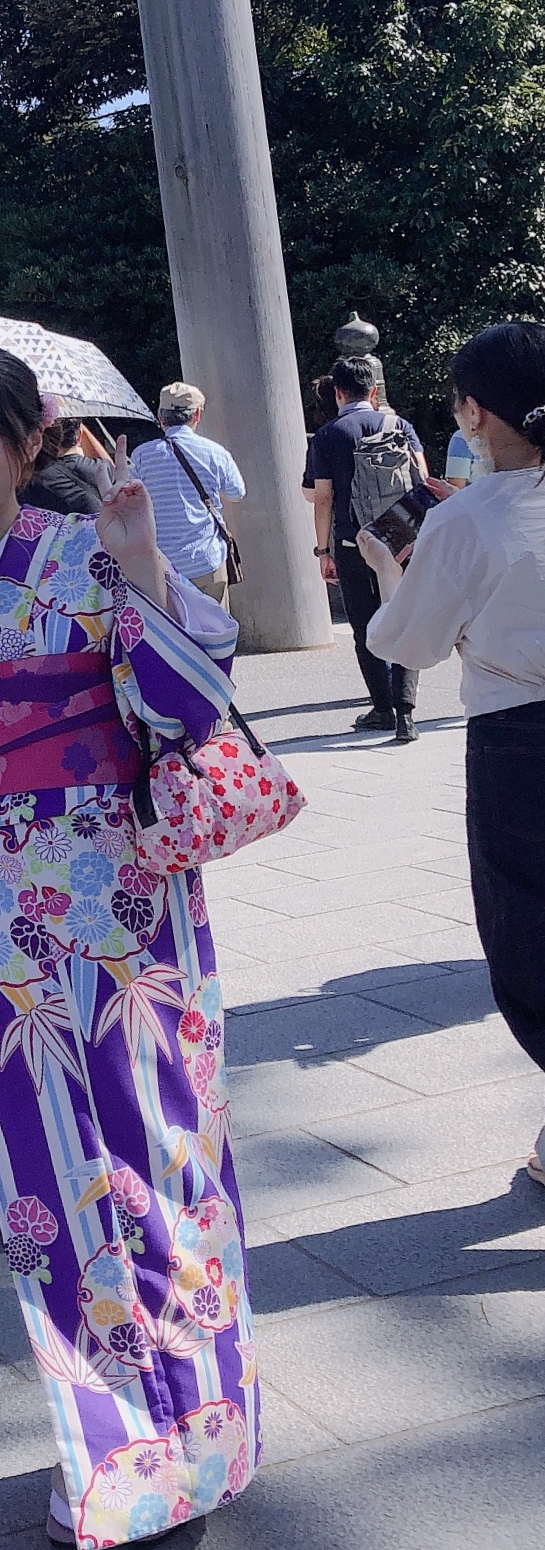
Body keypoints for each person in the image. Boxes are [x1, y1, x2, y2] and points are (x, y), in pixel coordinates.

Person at [0, 342, 255, 1549]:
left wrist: (140, 567)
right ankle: (110, 1448)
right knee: (45, 1184)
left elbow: (183, 710)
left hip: (131, 909)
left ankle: (205, 1425)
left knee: (166, 1156)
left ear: (32, 440)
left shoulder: (87, 555)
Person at [359, 322, 545, 1186]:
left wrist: (388, 562)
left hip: (519, 738)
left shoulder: (466, 516)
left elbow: (408, 643)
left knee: (527, 930)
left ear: (474, 412)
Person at [304, 355, 428, 742]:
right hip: (400, 537)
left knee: (364, 624)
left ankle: (382, 708)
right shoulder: (399, 425)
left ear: (337, 392)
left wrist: (322, 549)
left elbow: (321, 497)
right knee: (404, 615)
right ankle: (407, 712)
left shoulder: (328, 435)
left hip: (352, 538)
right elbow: (422, 479)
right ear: (373, 390)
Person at [130, 383, 246, 604]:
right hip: (206, 558)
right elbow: (237, 493)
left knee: (173, 633)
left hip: (162, 563)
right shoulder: (215, 452)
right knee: (215, 631)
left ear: (160, 417)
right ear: (197, 414)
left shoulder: (141, 456)